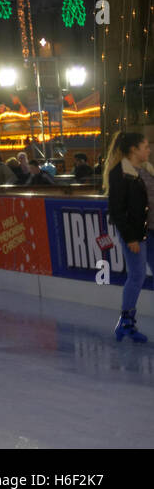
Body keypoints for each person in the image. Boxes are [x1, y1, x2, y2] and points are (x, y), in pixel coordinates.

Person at [104, 131, 151, 342]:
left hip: (151, 231)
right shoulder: (119, 173)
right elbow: (116, 210)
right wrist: (131, 237)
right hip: (136, 234)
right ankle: (126, 322)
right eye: (146, 146)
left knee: (138, 275)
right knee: (137, 275)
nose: (149, 150)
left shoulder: (147, 170)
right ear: (134, 150)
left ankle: (126, 322)